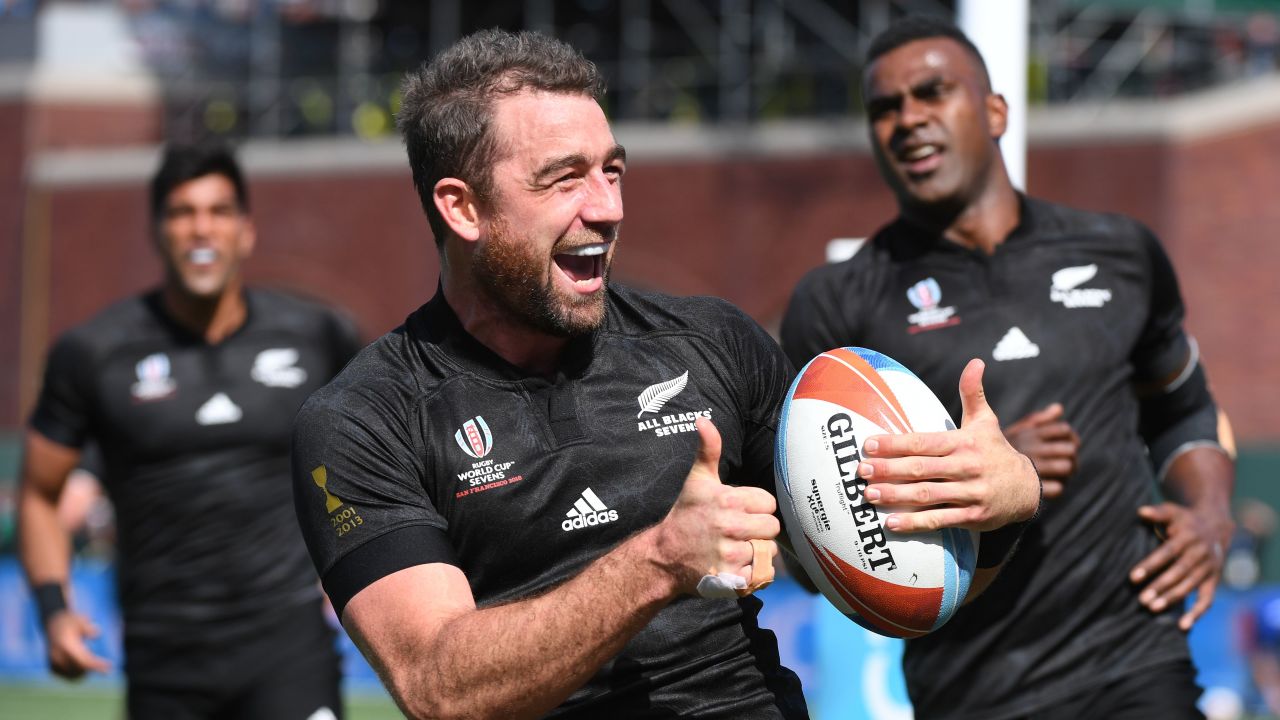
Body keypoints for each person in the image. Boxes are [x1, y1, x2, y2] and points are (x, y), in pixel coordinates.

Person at [290, 28, 1040, 720]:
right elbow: (437, 686)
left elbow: (866, 579)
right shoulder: (366, 419)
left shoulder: (708, 340)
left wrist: (996, 513)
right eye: (564, 179)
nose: (609, 207)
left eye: (612, 171)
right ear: (462, 208)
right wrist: (659, 562)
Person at [781, 15, 1236, 720]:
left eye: (933, 92)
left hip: (1134, 658)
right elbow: (808, 542)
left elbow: (1182, 408)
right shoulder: (838, 302)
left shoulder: (1120, 252)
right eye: (885, 108)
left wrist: (1207, 514)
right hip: (969, 688)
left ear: (996, 111)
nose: (909, 120)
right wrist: (979, 476)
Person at [18, 144, 362, 719]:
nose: (201, 229)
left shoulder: (317, 335)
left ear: (246, 231)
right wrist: (53, 609)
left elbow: (381, 452)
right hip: (163, 657)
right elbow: (39, 493)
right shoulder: (94, 353)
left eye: (218, 211)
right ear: (157, 231)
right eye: (181, 213)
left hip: (288, 648)